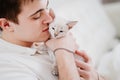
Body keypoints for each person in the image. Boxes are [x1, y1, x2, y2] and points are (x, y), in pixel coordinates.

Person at [0, 0, 105, 80]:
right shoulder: (7, 68)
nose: (50, 19)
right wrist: (63, 51)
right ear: (7, 25)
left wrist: (96, 77)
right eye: (37, 16)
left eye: (46, 9)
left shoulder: (40, 38)